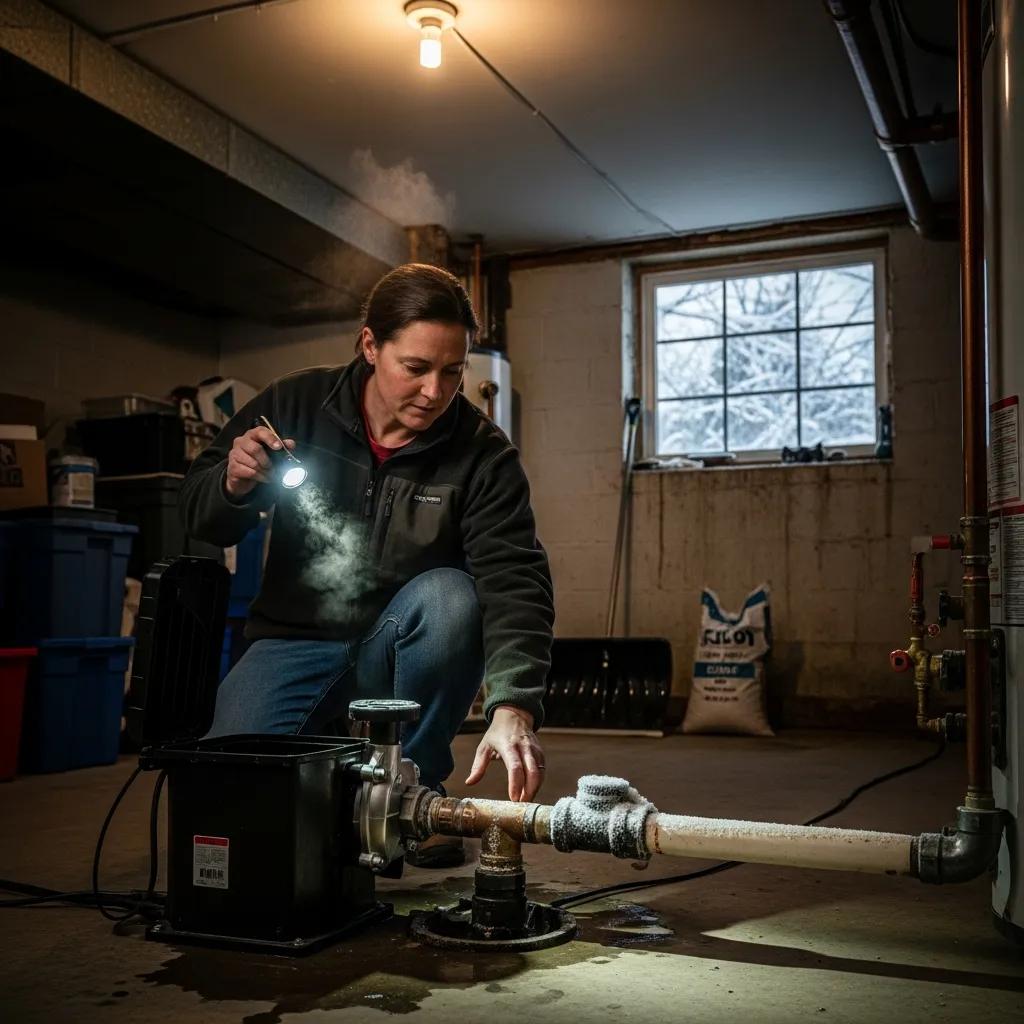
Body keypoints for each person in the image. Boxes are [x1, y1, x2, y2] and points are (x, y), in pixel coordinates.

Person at [180, 263, 554, 866]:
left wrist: (513, 705)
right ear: (370, 346)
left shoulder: (484, 456)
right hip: (296, 639)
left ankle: (416, 793)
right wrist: (232, 482)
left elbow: (516, 581)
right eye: (416, 368)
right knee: (230, 779)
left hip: (401, 639)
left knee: (452, 597)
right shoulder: (294, 405)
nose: (435, 392)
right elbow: (200, 515)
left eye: (453, 372)